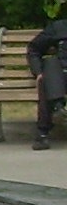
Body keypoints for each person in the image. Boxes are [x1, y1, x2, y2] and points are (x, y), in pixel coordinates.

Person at [29, 13, 67, 151]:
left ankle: (57, 109)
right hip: (60, 75)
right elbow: (34, 49)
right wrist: (38, 72)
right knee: (48, 67)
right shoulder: (59, 27)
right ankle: (57, 109)